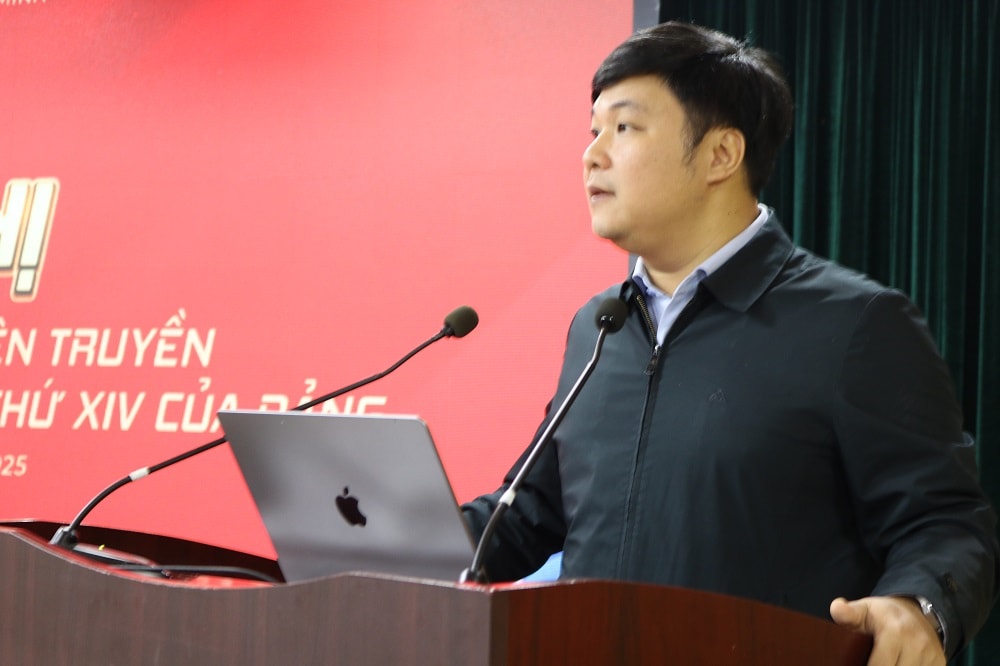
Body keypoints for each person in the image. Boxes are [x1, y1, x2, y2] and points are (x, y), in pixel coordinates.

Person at [461, 20, 999, 666]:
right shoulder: (600, 327)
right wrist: (375, 530)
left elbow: (946, 523)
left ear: (721, 155)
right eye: (592, 131)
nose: (593, 155)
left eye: (624, 128)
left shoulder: (855, 324)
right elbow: (527, 515)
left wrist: (917, 605)